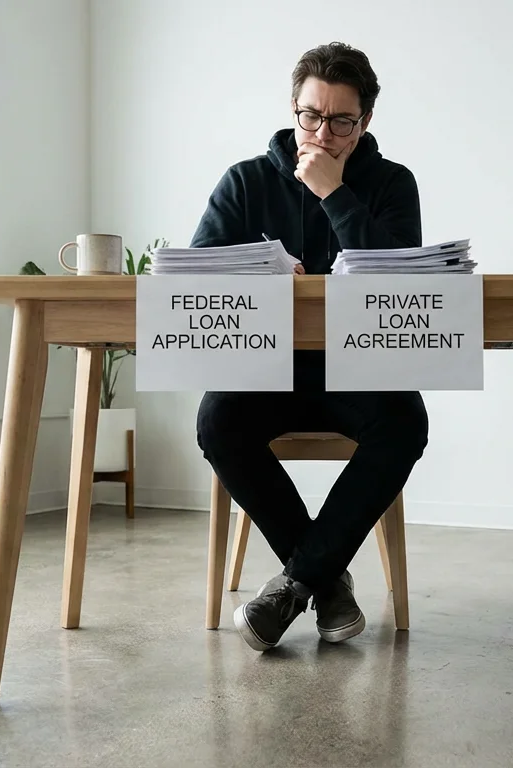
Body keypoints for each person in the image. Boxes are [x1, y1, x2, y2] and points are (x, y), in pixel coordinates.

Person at [189, 42, 429, 652]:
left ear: (364, 122)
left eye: (340, 120)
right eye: (310, 116)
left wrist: (334, 196)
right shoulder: (245, 181)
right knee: (218, 420)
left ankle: (296, 583)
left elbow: (402, 280)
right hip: (268, 368)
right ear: (293, 109)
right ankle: (323, 583)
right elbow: (196, 278)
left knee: (405, 420)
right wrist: (258, 275)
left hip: (357, 371)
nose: (322, 133)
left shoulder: (393, 184)